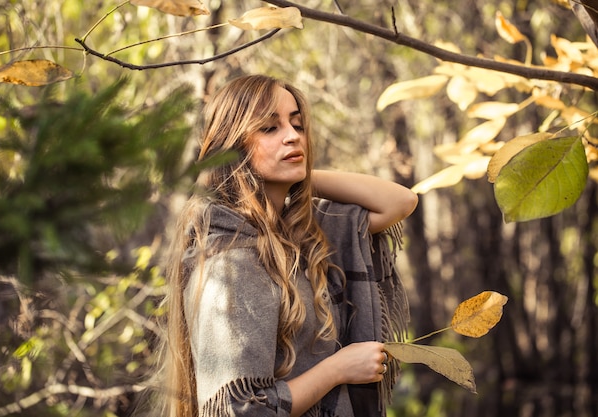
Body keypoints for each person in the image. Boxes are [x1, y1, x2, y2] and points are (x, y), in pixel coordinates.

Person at [144, 74, 418, 417]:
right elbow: (238, 409)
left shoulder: (296, 235)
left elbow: (399, 201)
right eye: (270, 129)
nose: (293, 136)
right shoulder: (231, 259)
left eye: (297, 124)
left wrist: (299, 176)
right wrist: (337, 369)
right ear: (233, 145)